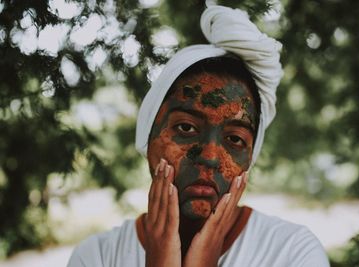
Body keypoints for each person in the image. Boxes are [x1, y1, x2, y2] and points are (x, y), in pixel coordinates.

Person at [67, 4, 330, 267]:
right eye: (186, 128)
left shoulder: (293, 252)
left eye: (235, 139)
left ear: (250, 157)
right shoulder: (96, 256)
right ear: (148, 135)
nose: (210, 156)